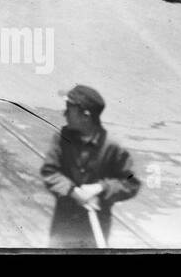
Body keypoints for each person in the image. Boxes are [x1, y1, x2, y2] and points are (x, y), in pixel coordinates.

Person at [40, 85, 141, 248]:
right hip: (63, 227)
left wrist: (101, 188)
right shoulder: (62, 138)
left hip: (95, 230)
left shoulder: (112, 147)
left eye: (69, 109)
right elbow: (49, 172)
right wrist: (72, 191)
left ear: (85, 116)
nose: (64, 113)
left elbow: (130, 183)